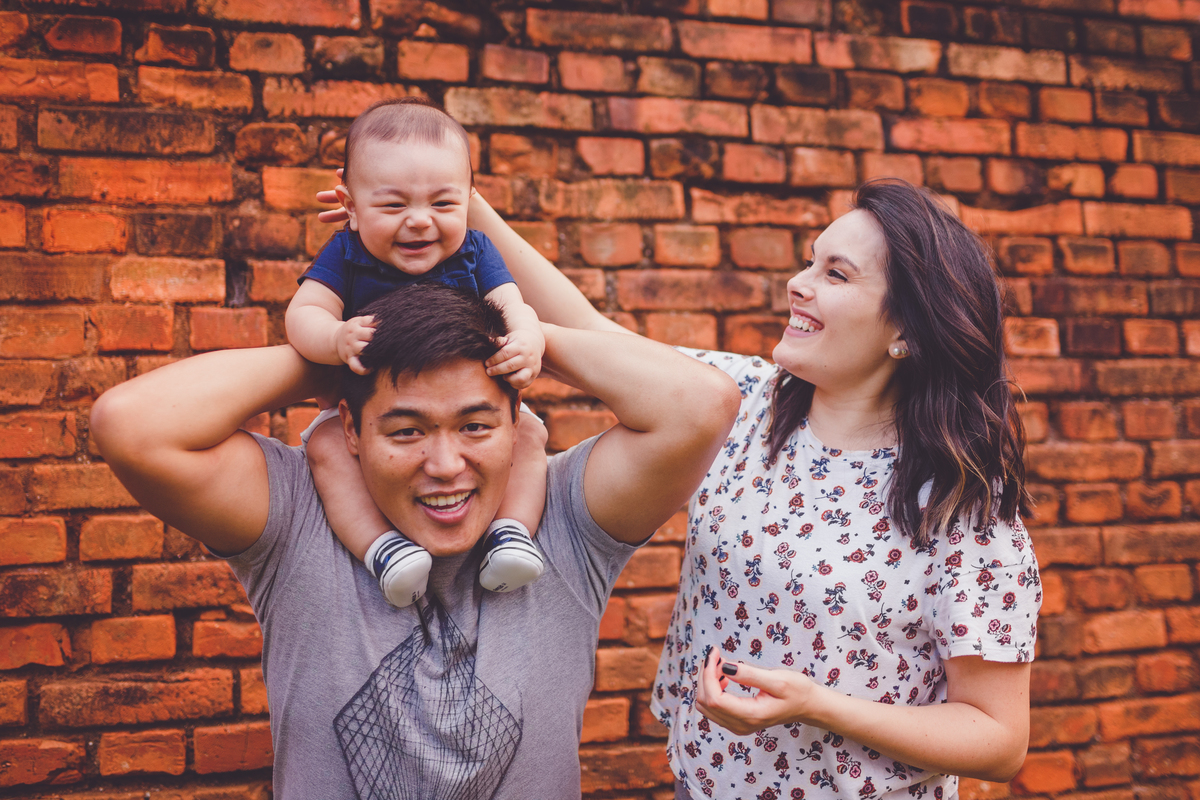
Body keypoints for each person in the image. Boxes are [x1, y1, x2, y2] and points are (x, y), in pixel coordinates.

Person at [374, 178, 1039, 800]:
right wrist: (462, 205)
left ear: (906, 331)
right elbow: (591, 330)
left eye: (835, 274)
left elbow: (998, 737)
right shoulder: (744, 404)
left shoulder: (962, 507)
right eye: (810, 263)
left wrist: (816, 705)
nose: (798, 285)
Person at [90, 283, 741, 799]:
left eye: (476, 425)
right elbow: (131, 425)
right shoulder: (300, 515)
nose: (446, 464)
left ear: (518, 420)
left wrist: (525, 340)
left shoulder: (564, 518)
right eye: (405, 431)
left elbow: (701, 403)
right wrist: (336, 361)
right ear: (350, 429)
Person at [287, 96, 547, 607]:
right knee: (323, 446)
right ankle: (382, 549)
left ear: (470, 201)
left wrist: (528, 340)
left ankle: (511, 533)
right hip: (371, 417)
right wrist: (335, 338)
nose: (420, 221)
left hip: (457, 400)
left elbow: (514, 305)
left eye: (443, 204)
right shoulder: (347, 251)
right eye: (392, 205)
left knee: (532, 433)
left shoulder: (474, 249)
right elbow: (302, 314)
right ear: (352, 206)